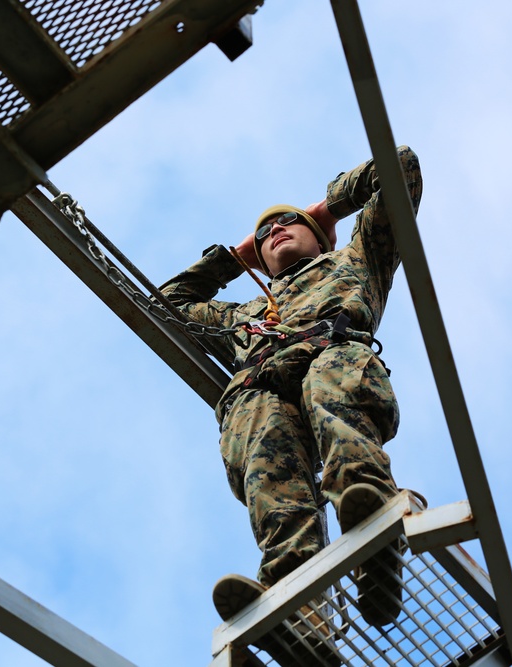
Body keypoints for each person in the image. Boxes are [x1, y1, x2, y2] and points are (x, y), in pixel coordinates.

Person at [161, 146, 423, 637]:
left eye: (289, 223)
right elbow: (170, 303)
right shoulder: (243, 314)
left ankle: (374, 528)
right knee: (268, 464)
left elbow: (399, 167)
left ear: (322, 237)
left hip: (332, 354)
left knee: (333, 393)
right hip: (260, 387)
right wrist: (233, 260)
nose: (274, 229)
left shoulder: (356, 257)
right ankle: (300, 613)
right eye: (264, 233)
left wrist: (325, 212)